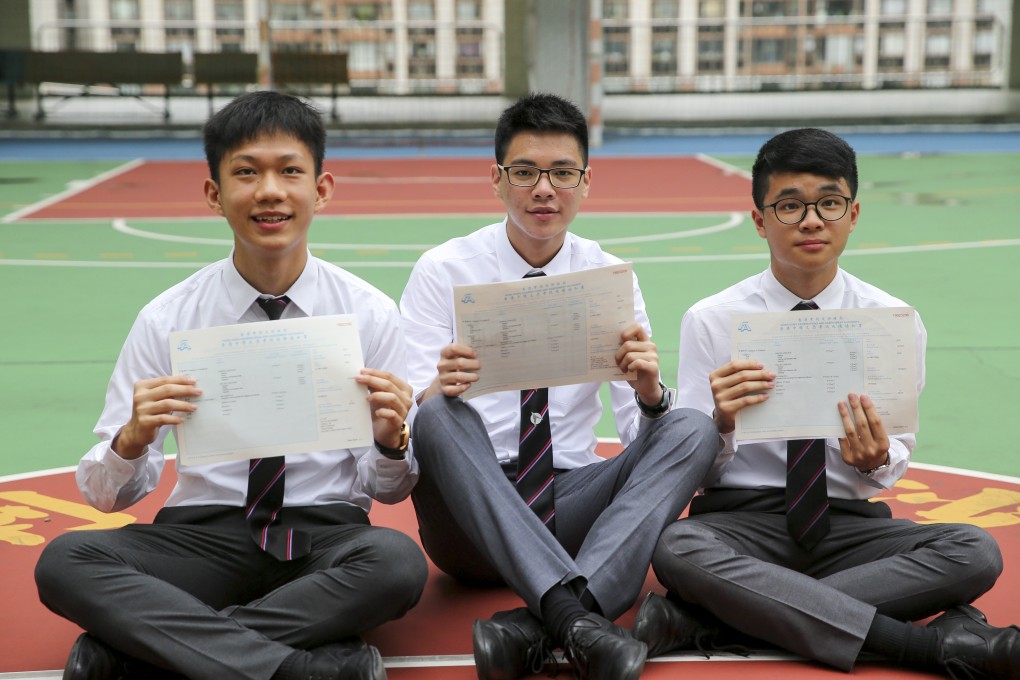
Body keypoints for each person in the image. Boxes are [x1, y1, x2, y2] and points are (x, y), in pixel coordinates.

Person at [34, 91, 428, 680]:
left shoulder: (368, 315)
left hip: (322, 539)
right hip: (201, 539)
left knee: (396, 563)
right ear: (215, 195)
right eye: (246, 173)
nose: (269, 191)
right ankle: (305, 670)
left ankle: (140, 656)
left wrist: (391, 441)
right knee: (66, 560)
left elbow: (387, 491)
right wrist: (132, 440)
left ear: (320, 189)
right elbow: (105, 496)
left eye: (289, 171)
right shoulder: (168, 318)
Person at [635, 127, 1018, 677]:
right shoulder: (713, 320)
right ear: (760, 219)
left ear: (853, 214)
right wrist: (719, 422)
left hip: (848, 527)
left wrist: (878, 460)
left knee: (974, 551)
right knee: (677, 546)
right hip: (743, 526)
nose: (811, 221)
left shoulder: (893, 322)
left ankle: (716, 620)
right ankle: (930, 649)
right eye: (789, 206)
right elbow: (696, 477)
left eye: (829, 203)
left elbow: (894, 461)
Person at [398, 92, 719, 680]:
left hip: (568, 505)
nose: (544, 189)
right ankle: (578, 613)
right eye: (525, 172)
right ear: (497, 180)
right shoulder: (442, 270)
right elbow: (410, 428)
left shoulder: (607, 275)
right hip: (470, 518)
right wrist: (435, 389)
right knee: (438, 415)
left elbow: (635, 435)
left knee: (692, 425)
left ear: (586, 181)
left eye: (563, 173)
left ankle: (557, 619)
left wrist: (650, 395)